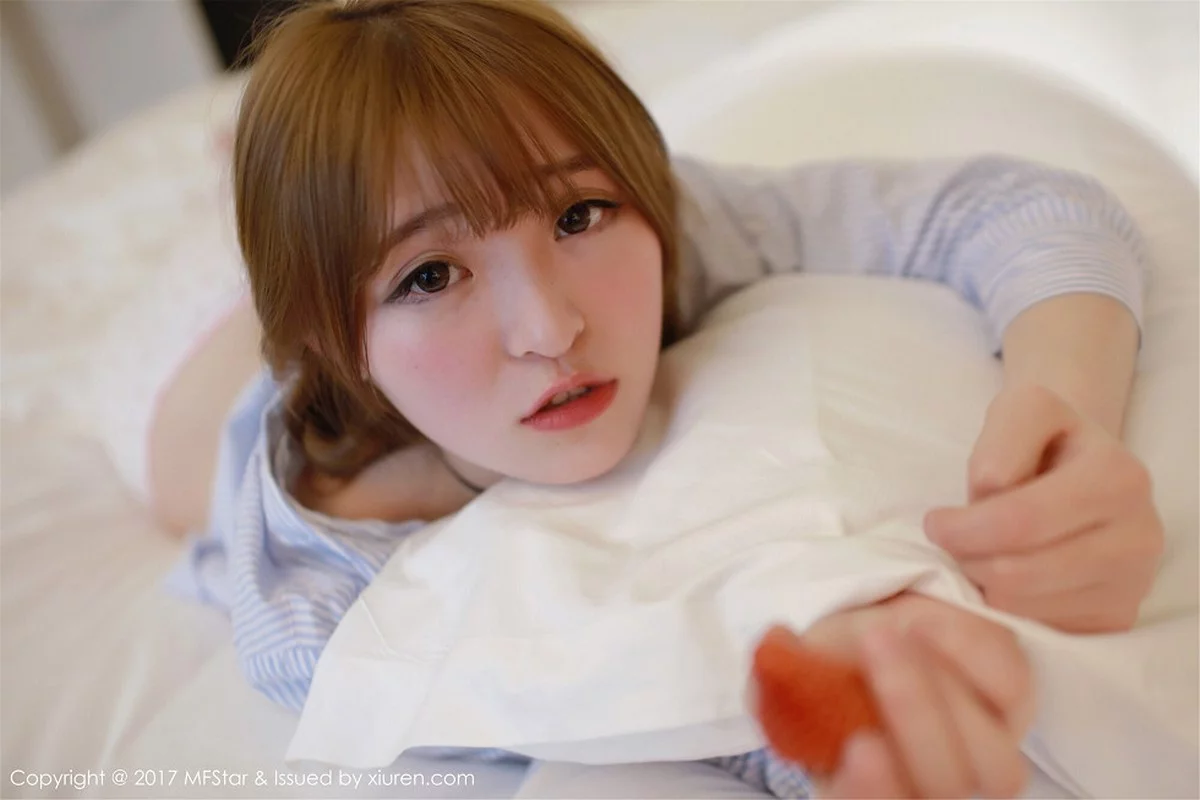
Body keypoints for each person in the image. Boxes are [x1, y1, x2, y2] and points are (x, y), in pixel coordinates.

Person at [164, 0, 1164, 796]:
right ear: (341, 339)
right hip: (207, 422)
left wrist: (1064, 420)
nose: (551, 328)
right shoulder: (323, 602)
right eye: (430, 275)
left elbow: (1026, 208)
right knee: (190, 421)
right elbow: (607, 697)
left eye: (576, 215)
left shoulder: (669, 228)